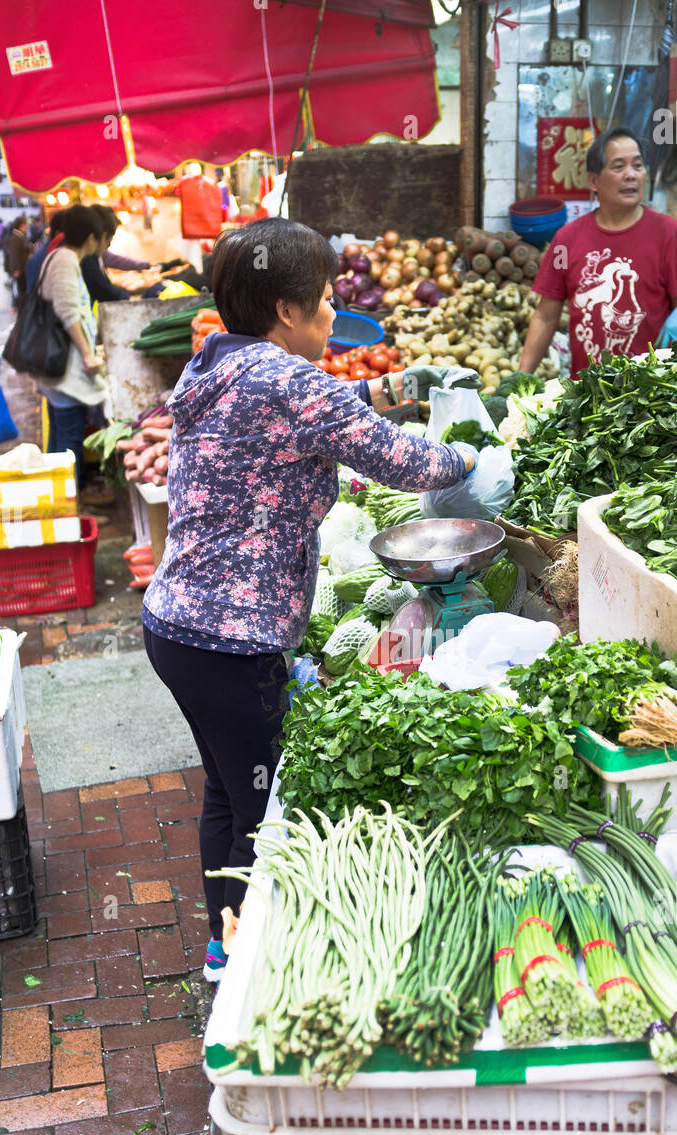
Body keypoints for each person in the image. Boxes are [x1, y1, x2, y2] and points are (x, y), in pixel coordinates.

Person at [141, 218, 478, 982]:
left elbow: (316, 407)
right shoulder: (285, 380)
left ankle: (222, 943)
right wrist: (472, 454)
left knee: (229, 792)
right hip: (230, 641)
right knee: (258, 809)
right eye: (324, 301)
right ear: (287, 312)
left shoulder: (222, 366)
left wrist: (390, 388)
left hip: (178, 628)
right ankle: (245, 965)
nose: (332, 314)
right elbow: (402, 462)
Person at [520, 127, 677, 378]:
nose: (631, 175)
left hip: (653, 390)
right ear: (593, 180)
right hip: (587, 392)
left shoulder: (668, 232)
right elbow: (545, 315)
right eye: (618, 167)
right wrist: (521, 376)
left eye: (637, 166)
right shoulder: (564, 240)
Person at [32, 205, 107, 490]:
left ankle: (57, 505)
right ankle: (70, 512)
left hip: (59, 369)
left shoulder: (59, 257)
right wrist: (88, 355)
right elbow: (68, 312)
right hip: (65, 370)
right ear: (90, 238)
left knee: (59, 446)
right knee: (69, 444)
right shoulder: (65, 260)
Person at [6, 214, 31, 304]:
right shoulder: (16, 238)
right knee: (20, 290)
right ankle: (19, 306)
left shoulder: (20, 236)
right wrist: (16, 269)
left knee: (22, 290)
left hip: (22, 269)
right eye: (26, 224)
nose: (27, 226)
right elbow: (14, 255)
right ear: (21, 225)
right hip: (20, 270)